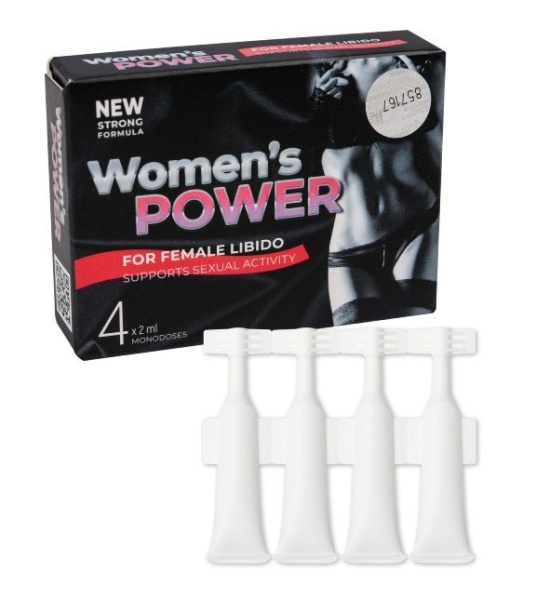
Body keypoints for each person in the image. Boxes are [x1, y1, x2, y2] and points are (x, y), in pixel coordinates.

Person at [309, 55, 445, 325]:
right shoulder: (318, 68)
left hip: (417, 226)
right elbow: (287, 152)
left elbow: (443, 150)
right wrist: (316, 108)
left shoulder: (421, 64)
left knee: (417, 335)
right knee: (353, 342)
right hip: (350, 251)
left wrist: (422, 103)